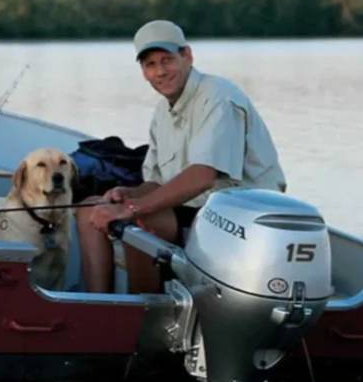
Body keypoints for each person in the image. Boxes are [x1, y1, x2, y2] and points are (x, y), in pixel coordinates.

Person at [76, 20, 286, 293]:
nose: (160, 72)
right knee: (90, 207)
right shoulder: (162, 113)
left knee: (140, 219)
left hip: (241, 219)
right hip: (193, 211)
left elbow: (202, 177)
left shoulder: (218, 96)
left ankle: (144, 313)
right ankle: (99, 306)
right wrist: (127, 192)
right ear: (143, 71)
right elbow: (156, 184)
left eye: (167, 60)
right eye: (150, 65)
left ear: (187, 56)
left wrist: (130, 209)